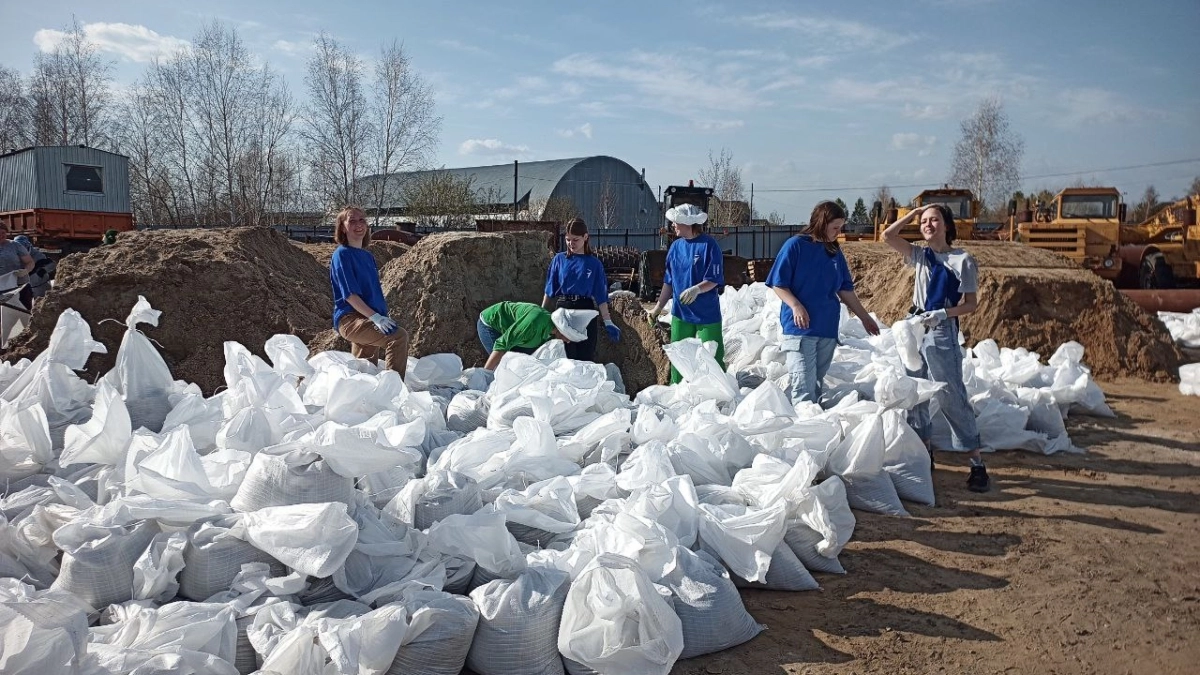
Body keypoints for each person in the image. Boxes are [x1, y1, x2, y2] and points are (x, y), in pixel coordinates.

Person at [882, 203, 990, 493]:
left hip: (941, 328)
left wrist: (943, 314)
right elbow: (888, 236)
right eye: (924, 222)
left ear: (947, 225)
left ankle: (977, 463)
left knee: (950, 392)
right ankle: (924, 453)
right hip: (914, 326)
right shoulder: (919, 255)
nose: (928, 225)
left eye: (934, 220)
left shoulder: (962, 260)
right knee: (915, 391)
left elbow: (970, 304)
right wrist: (912, 215)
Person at [766, 201, 880, 405]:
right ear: (822, 222)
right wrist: (796, 305)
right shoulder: (795, 246)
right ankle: (804, 430)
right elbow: (778, 284)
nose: (839, 232)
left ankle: (815, 425)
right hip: (800, 329)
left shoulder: (833, 251)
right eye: (835, 227)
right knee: (803, 386)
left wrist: (865, 318)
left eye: (841, 227)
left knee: (816, 384)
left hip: (826, 328)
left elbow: (845, 289)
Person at [646, 203, 725, 384]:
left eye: (676, 222)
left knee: (713, 358)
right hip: (681, 314)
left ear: (688, 224)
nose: (673, 225)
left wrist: (697, 289)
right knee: (679, 359)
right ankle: (677, 392)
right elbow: (669, 281)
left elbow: (714, 278)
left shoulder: (709, 245)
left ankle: (719, 394)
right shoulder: (675, 248)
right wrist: (657, 309)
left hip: (707, 314)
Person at [329, 206, 410, 378]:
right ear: (342, 227)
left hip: (370, 317)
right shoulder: (342, 255)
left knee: (365, 372)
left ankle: (366, 402)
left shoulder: (367, 256)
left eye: (362, 220)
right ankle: (394, 392)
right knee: (398, 337)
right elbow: (350, 295)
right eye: (352, 220)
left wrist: (379, 316)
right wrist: (376, 318)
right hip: (351, 320)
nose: (358, 224)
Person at [542, 218, 621, 362]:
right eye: (568, 240)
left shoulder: (594, 264)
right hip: (564, 309)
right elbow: (549, 289)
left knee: (585, 356)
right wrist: (541, 314)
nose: (571, 244)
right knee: (566, 357)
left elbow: (601, 296)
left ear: (585, 237)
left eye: (575, 240)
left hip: (585, 310)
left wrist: (608, 321)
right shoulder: (559, 260)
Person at [478, 301, 598, 371]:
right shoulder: (534, 323)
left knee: (521, 366)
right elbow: (502, 344)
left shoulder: (551, 334)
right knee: (502, 367)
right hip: (491, 325)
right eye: (568, 337)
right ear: (564, 330)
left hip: (520, 337)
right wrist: (485, 374)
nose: (567, 341)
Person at [0, 229, 34, 311]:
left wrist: (25, 271)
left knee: (24, 310)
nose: (1, 235)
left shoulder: (15, 246)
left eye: (3, 233)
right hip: (1, 287)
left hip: (19, 285)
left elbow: (30, 262)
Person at [13, 235, 54, 300]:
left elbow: (51, 264)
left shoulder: (37, 255)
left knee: (41, 301)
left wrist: (42, 270)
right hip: (24, 287)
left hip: (39, 284)